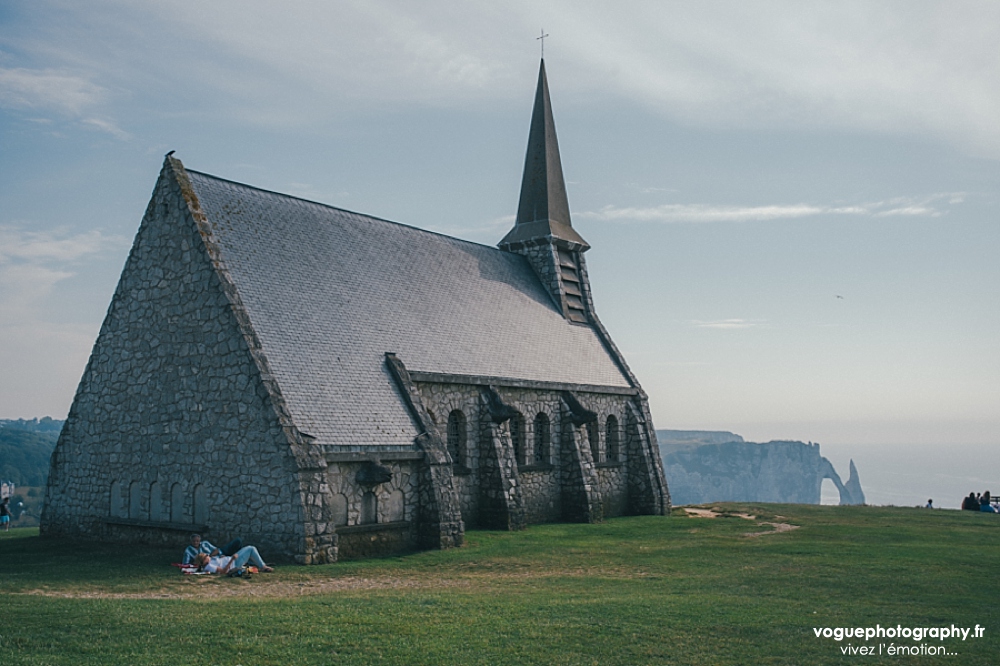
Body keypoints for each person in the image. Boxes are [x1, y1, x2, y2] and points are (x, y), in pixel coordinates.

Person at [193, 546, 274, 574]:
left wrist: (223, 558)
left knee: (249, 550)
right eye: (206, 556)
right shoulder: (209, 566)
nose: (208, 555)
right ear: (204, 561)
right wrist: (231, 559)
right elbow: (224, 571)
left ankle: (261, 565)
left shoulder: (211, 561)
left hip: (232, 560)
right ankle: (263, 566)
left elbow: (220, 563)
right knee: (251, 549)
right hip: (234, 563)